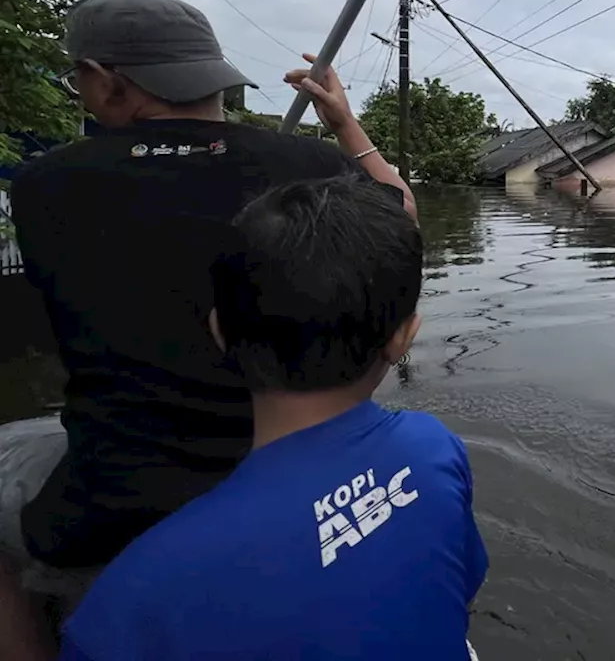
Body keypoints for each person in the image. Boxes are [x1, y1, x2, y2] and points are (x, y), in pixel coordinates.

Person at [0, 0, 416, 659]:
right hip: (280, 468)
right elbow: (400, 218)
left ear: (105, 83)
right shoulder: (314, 170)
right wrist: (344, 126)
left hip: (117, 493)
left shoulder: (44, 184)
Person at [58, 176, 487, 659]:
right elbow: (459, 590)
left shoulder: (128, 601)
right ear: (403, 337)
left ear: (219, 330)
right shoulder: (433, 447)